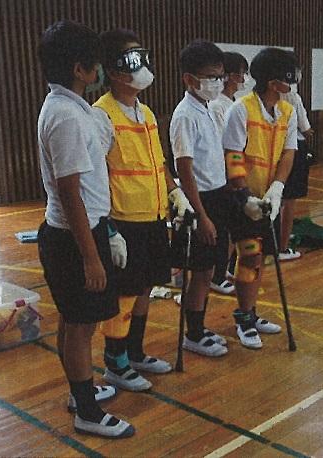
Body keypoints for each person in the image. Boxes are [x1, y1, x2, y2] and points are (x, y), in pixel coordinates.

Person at [36, 20, 134, 438]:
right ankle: (88, 413)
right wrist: (91, 256)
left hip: (79, 232)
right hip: (73, 238)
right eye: (95, 63)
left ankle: (81, 393)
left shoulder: (73, 109)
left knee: (74, 320)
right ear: (80, 68)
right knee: (80, 327)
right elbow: (69, 192)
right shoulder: (66, 116)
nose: (100, 70)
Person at [93, 29, 193, 391]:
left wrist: (176, 193)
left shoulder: (146, 113)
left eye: (143, 57)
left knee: (144, 288)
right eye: (133, 60)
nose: (143, 67)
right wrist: (107, 227)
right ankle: (115, 362)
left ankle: (134, 351)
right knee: (124, 295)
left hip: (153, 216)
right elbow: (94, 176)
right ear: (113, 70)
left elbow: (158, 163)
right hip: (123, 220)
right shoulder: (101, 115)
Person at [222, 47, 295, 348]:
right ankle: (243, 316)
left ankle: (251, 311)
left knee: (261, 256)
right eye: (289, 77)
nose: (293, 82)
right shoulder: (241, 110)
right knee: (249, 254)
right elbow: (233, 155)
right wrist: (245, 195)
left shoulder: (287, 111)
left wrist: (277, 188)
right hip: (243, 199)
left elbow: (288, 153)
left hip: (268, 199)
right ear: (272, 81)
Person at [170, 40, 229, 357]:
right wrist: (201, 215)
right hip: (199, 200)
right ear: (189, 79)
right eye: (210, 77)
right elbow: (185, 168)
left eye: (220, 76)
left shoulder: (207, 108)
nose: (217, 82)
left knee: (208, 271)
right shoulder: (184, 115)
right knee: (200, 271)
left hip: (217, 196)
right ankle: (192, 334)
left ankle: (198, 327)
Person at [208, 51, 250, 294]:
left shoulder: (234, 104)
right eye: (243, 73)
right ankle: (216, 274)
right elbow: (222, 144)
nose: (244, 78)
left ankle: (223, 269)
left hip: (235, 172)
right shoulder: (217, 106)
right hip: (223, 176)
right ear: (232, 76)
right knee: (224, 231)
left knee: (233, 230)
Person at [279, 58, 313, 260]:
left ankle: (276, 239)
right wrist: (309, 132)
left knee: (277, 198)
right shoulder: (292, 96)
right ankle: (282, 246)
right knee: (289, 200)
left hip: (274, 149)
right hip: (292, 149)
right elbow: (305, 127)